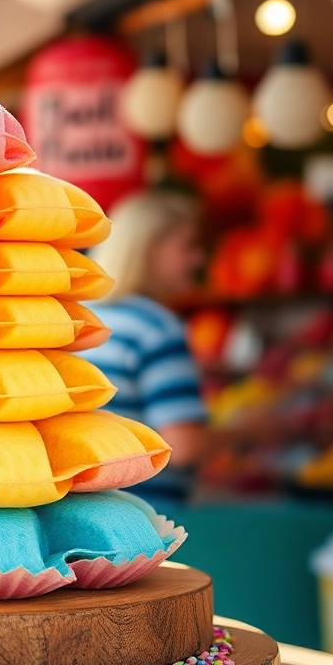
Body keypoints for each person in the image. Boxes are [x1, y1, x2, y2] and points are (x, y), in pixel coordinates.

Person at [82, 191, 209, 505]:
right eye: (188, 246)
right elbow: (183, 446)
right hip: (145, 515)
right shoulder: (157, 329)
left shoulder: (83, 319)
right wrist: (251, 430)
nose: (199, 260)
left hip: (89, 506)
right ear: (150, 248)